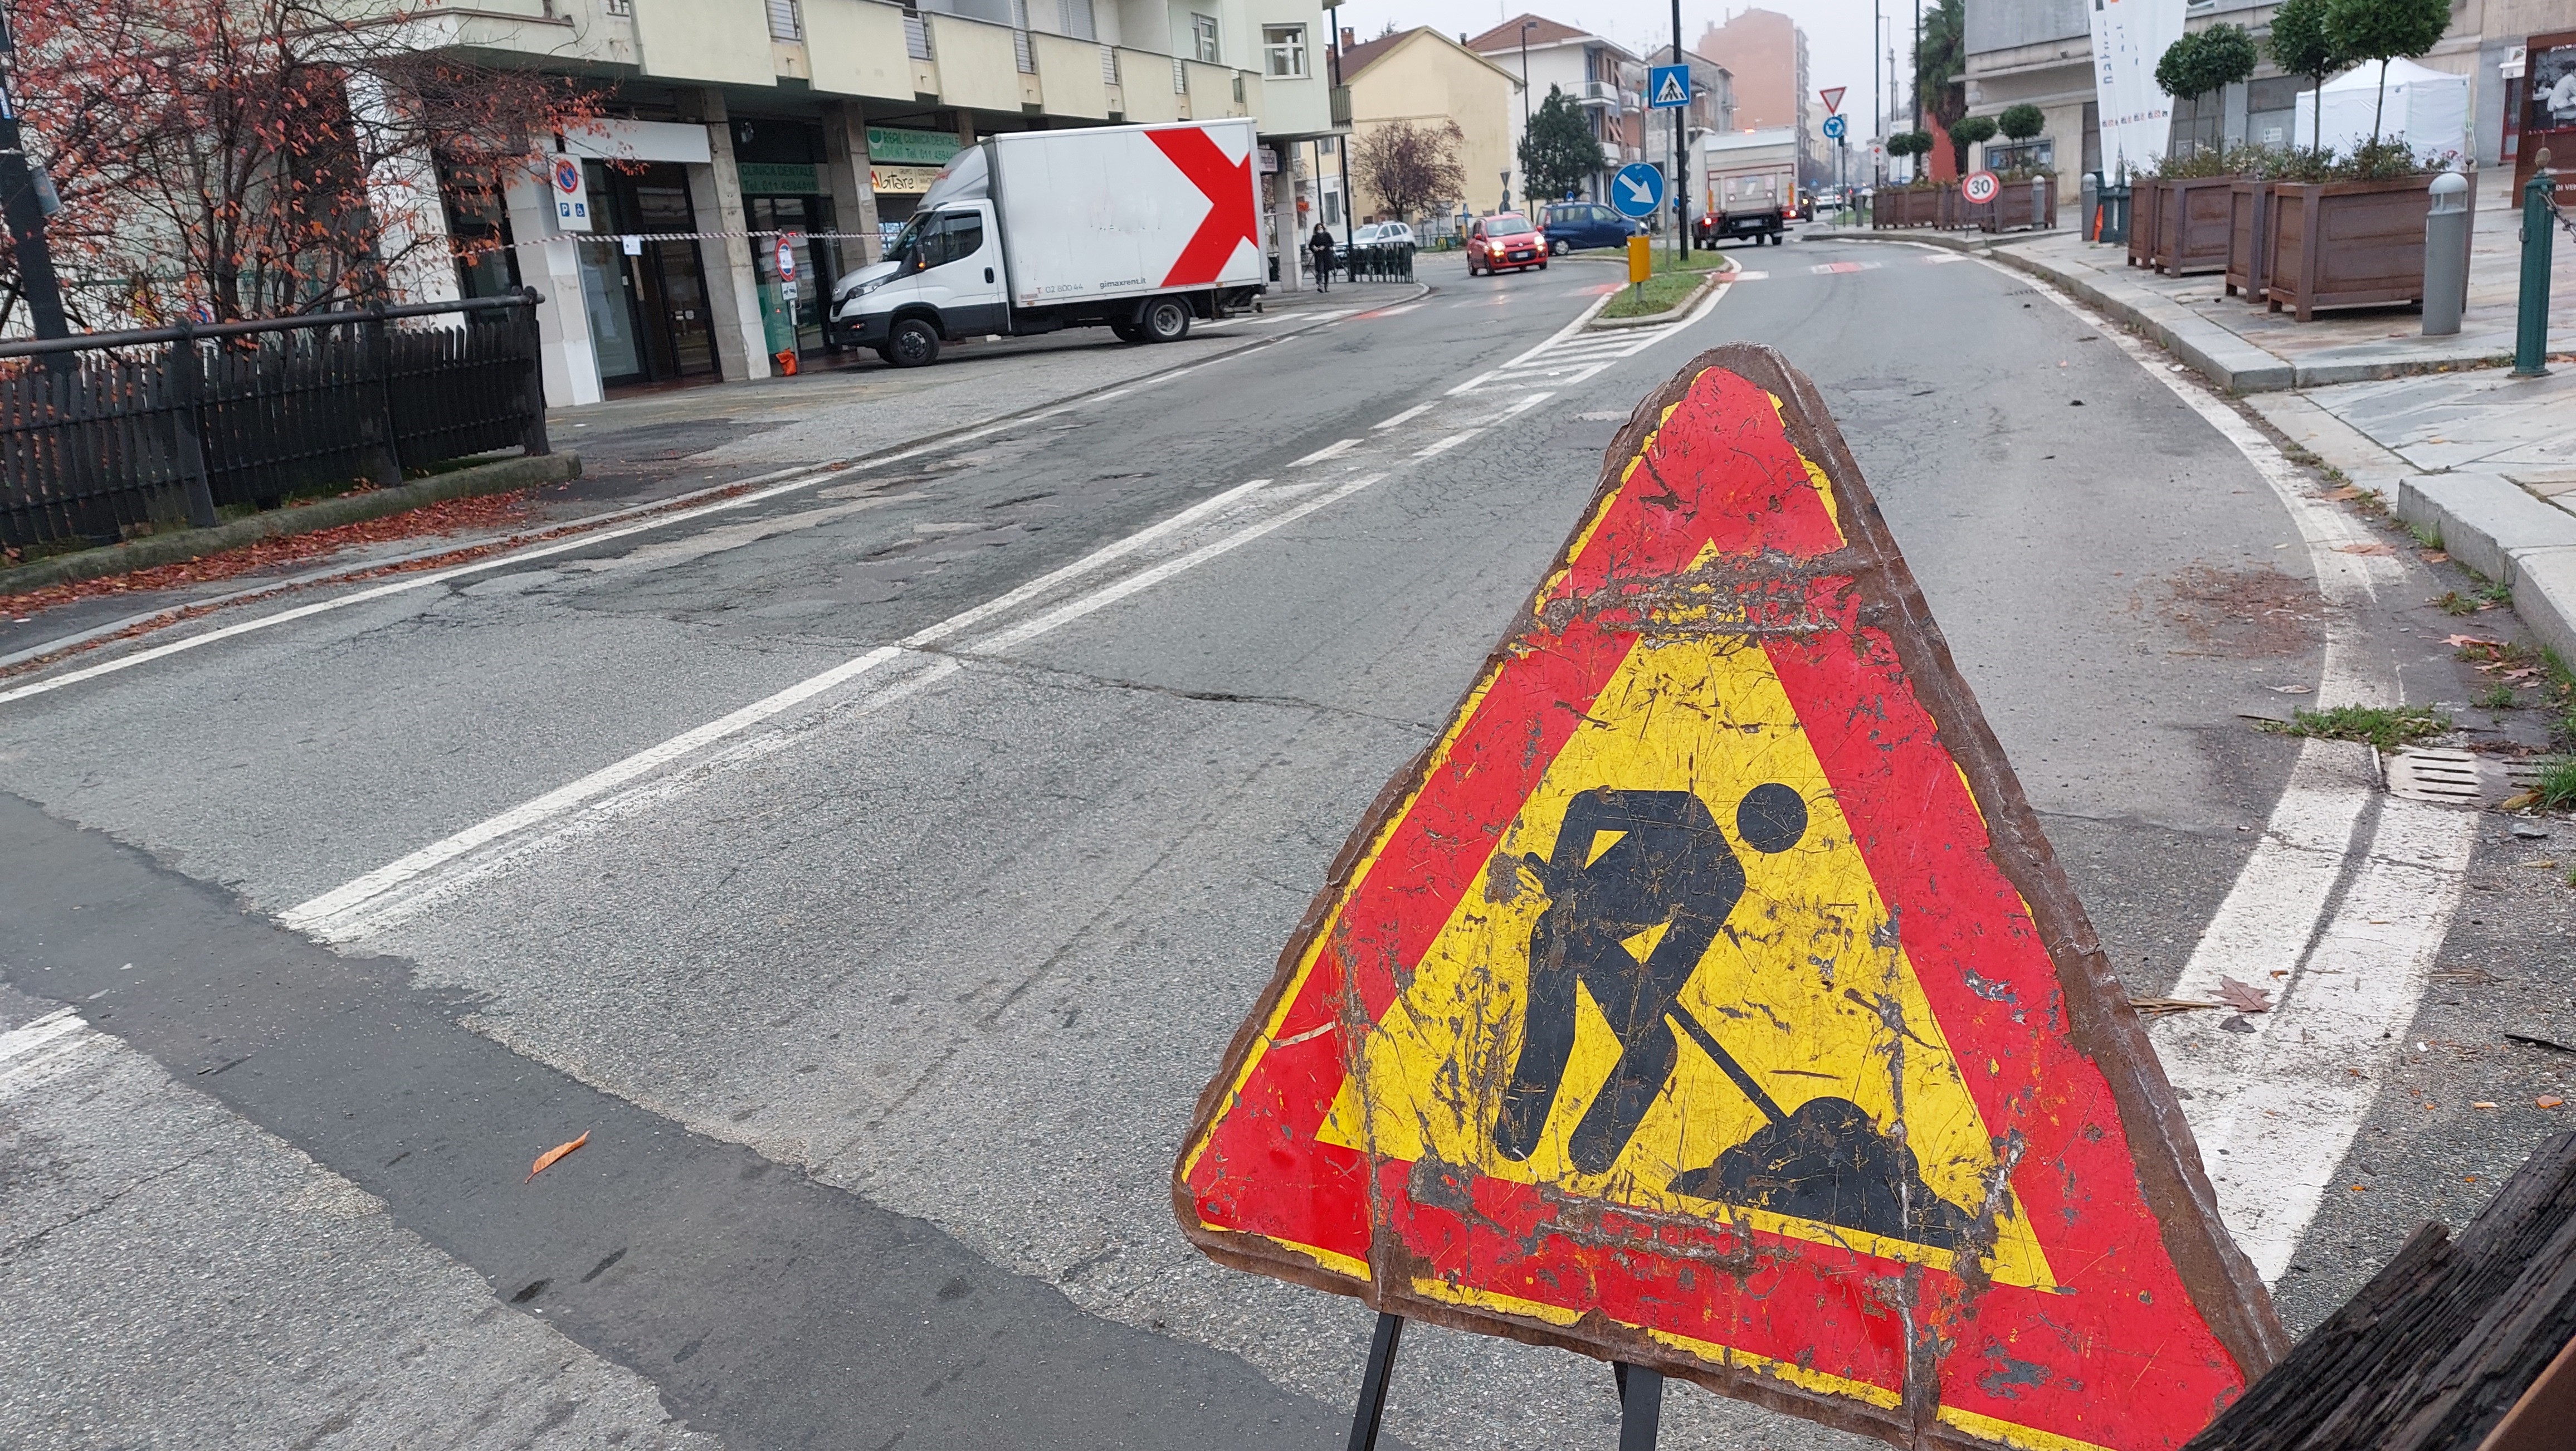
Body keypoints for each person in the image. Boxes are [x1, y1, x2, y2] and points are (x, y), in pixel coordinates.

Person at [1307, 221, 1335, 292]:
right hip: (1319, 255)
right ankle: (1320, 285)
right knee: (1320, 270)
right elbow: (1311, 245)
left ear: (1323, 228)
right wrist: (1314, 248)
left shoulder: (1327, 235)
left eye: (1321, 227)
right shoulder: (1315, 237)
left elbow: (1332, 243)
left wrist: (1325, 246)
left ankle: (1326, 287)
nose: (1320, 229)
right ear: (1316, 229)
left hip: (1327, 255)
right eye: (1318, 228)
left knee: (1326, 272)